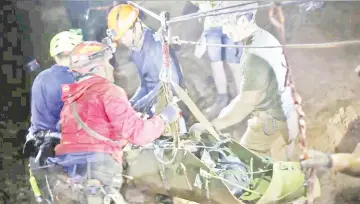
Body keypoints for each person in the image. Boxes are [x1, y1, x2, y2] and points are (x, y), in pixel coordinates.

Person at [53, 41, 181, 203]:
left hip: (70, 171)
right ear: (97, 68)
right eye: (108, 62)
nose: (112, 67)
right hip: (99, 169)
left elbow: (88, 133)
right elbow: (139, 134)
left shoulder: (71, 100)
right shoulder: (109, 91)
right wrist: (164, 117)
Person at [189, 1, 298, 158]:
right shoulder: (264, 38)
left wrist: (213, 126)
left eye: (227, 24)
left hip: (272, 124)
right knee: (282, 172)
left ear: (241, 21)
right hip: (287, 117)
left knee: (243, 167)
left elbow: (245, 103)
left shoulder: (253, 55)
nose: (225, 31)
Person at [106, 4, 188, 133]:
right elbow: (145, 83)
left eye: (125, 34)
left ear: (137, 25)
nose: (123, 40)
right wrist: (131, 104)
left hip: (168, 109)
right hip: (154, 107)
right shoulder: (136, 48)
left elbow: (171, 84)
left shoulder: (154, 47)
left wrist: (140, 105)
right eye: (120, 37)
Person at [23, 30, 83, 164]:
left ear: (55, 56)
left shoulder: (40, 77)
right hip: (63, 149)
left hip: (36, 142)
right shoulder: (75, 80)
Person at [186, 1, 244, 120]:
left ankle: (242, 100)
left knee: (234, 64)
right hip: (212, 26)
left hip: (232, 22)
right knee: (216, 64)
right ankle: (222, 99)